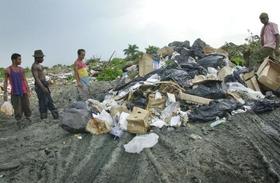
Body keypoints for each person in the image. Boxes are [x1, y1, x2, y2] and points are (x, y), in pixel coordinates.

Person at [3, 53, 31, 128]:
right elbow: (5, 81)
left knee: (26, 106)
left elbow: (24, 80)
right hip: (15, 92)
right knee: (17, 108)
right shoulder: (8, 70)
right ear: (13, 60)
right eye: (19, 59)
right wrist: (5, 93)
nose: (20, 61)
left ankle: (28, 118)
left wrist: (28, 90)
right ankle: (19, 122)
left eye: (20, 59)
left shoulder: (22, 69)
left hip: (23, 91)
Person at [31, 50, 59, 120]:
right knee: (43, 102)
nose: (42, 59)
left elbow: (42, 77)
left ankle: (55, 116)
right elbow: (37, 79)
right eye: (41, 57)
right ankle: (44, 118)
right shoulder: (34, 66)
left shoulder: (40, 65)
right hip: (40, 86)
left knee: (49, 100)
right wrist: (43, 88)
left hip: (43, 84)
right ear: (37, 58)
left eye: (42, 57)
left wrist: (47, 82)